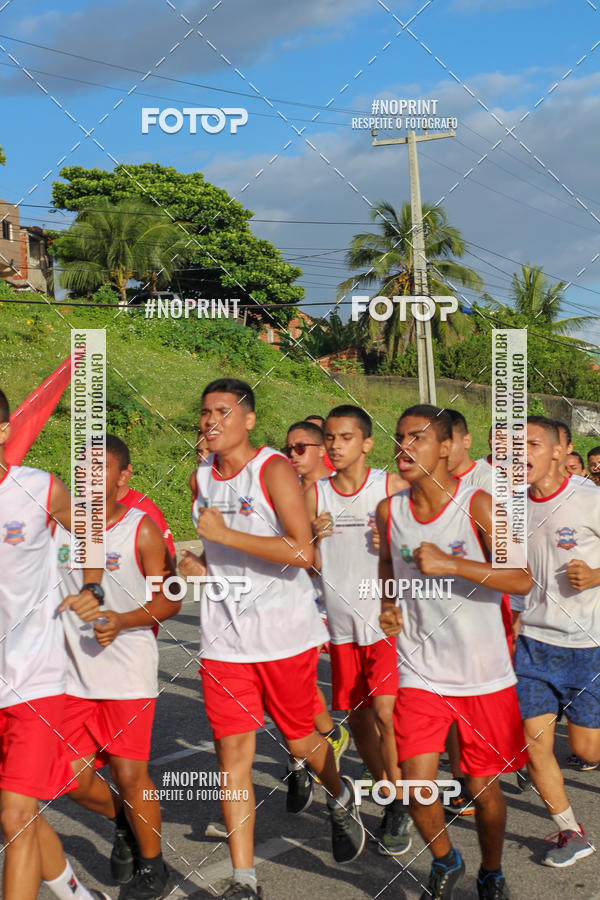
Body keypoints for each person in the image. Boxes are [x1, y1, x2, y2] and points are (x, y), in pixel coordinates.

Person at [181, 379, 364, 900]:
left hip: (284, 635)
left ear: (248, 420)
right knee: (231, 755)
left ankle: (341, 790)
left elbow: (304, 551)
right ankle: (245, 879)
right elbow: (212, 553)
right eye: (205, 411)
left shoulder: (272, 468)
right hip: (223, 640)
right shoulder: (201, 478)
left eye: (222, 411)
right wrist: (194, 563)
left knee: (300, 739)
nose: (210, 420)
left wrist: (225, 537)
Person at [379, 404, 532, 900]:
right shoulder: (391, 511)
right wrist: (386, 604)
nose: (404, 447)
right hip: (420, 670)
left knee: (483, 788)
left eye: (417, 438)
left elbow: (521, 579)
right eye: (400, 438)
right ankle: (446, 860)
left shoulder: (480, 505)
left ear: (446, 447)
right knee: (414, 783)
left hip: (483, 673)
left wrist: (453, 564)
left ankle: (492, 870)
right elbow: (387, 566)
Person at [54, 434, 180, 899]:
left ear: (124, 477)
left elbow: (170, 598)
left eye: (102, 467)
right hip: (71, 676)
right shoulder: (58, 527)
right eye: (83, 467)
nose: (89, 477)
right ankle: (127, 822)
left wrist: (123, 620)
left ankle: (154, 868)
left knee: (130, 775)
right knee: (70, 779)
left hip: (127, 672)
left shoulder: (139, 530)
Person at [0, 389, 110, 900]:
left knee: (15, 814)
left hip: (34, 678)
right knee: (16, 813)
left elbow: (88, 532)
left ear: (5, 431)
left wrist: (92, 586)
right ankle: (76, 894)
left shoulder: (37, 489)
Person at [305, 404, 411, 857]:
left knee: (387, 714)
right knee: (362, 720)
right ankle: (389, 791)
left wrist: (396, 542)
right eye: (328, 437)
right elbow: (301, 559)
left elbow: (430, 535)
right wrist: (310, 536)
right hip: (342, 626)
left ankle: (403, 802)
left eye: (345, 437)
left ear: (366, 443)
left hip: (385, 619)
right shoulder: (314, 493)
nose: (334, 445)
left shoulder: (390, 486)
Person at [513, 416, 600, 867]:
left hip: (589, 646)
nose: (519, 451)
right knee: (535, 743)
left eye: (530, 443)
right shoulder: (510, 508)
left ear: (556, 453)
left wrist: (597, 575)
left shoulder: (590, 500)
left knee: (586, 750)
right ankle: (571, 832)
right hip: (534, 644)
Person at [283, 420, 349, 768]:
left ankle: (387, 778)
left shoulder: (339, 490)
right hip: (299, 599)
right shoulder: (284, 491)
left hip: (347, 601)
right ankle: (316, 746)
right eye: (287, 449)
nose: (292, 455)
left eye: (300, 448)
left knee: (369, 702)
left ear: (322, 449)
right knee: (291, 683)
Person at [115, 441, 176, 563]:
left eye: (101, 468)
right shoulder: (79, 510)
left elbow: (167, 565)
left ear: (125, 474)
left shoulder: (144, 511)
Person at [554, 421, 593, 487]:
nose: (549, 448)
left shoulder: (588, 487)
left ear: (569, 448)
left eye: (557, 443)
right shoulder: (531, 484)